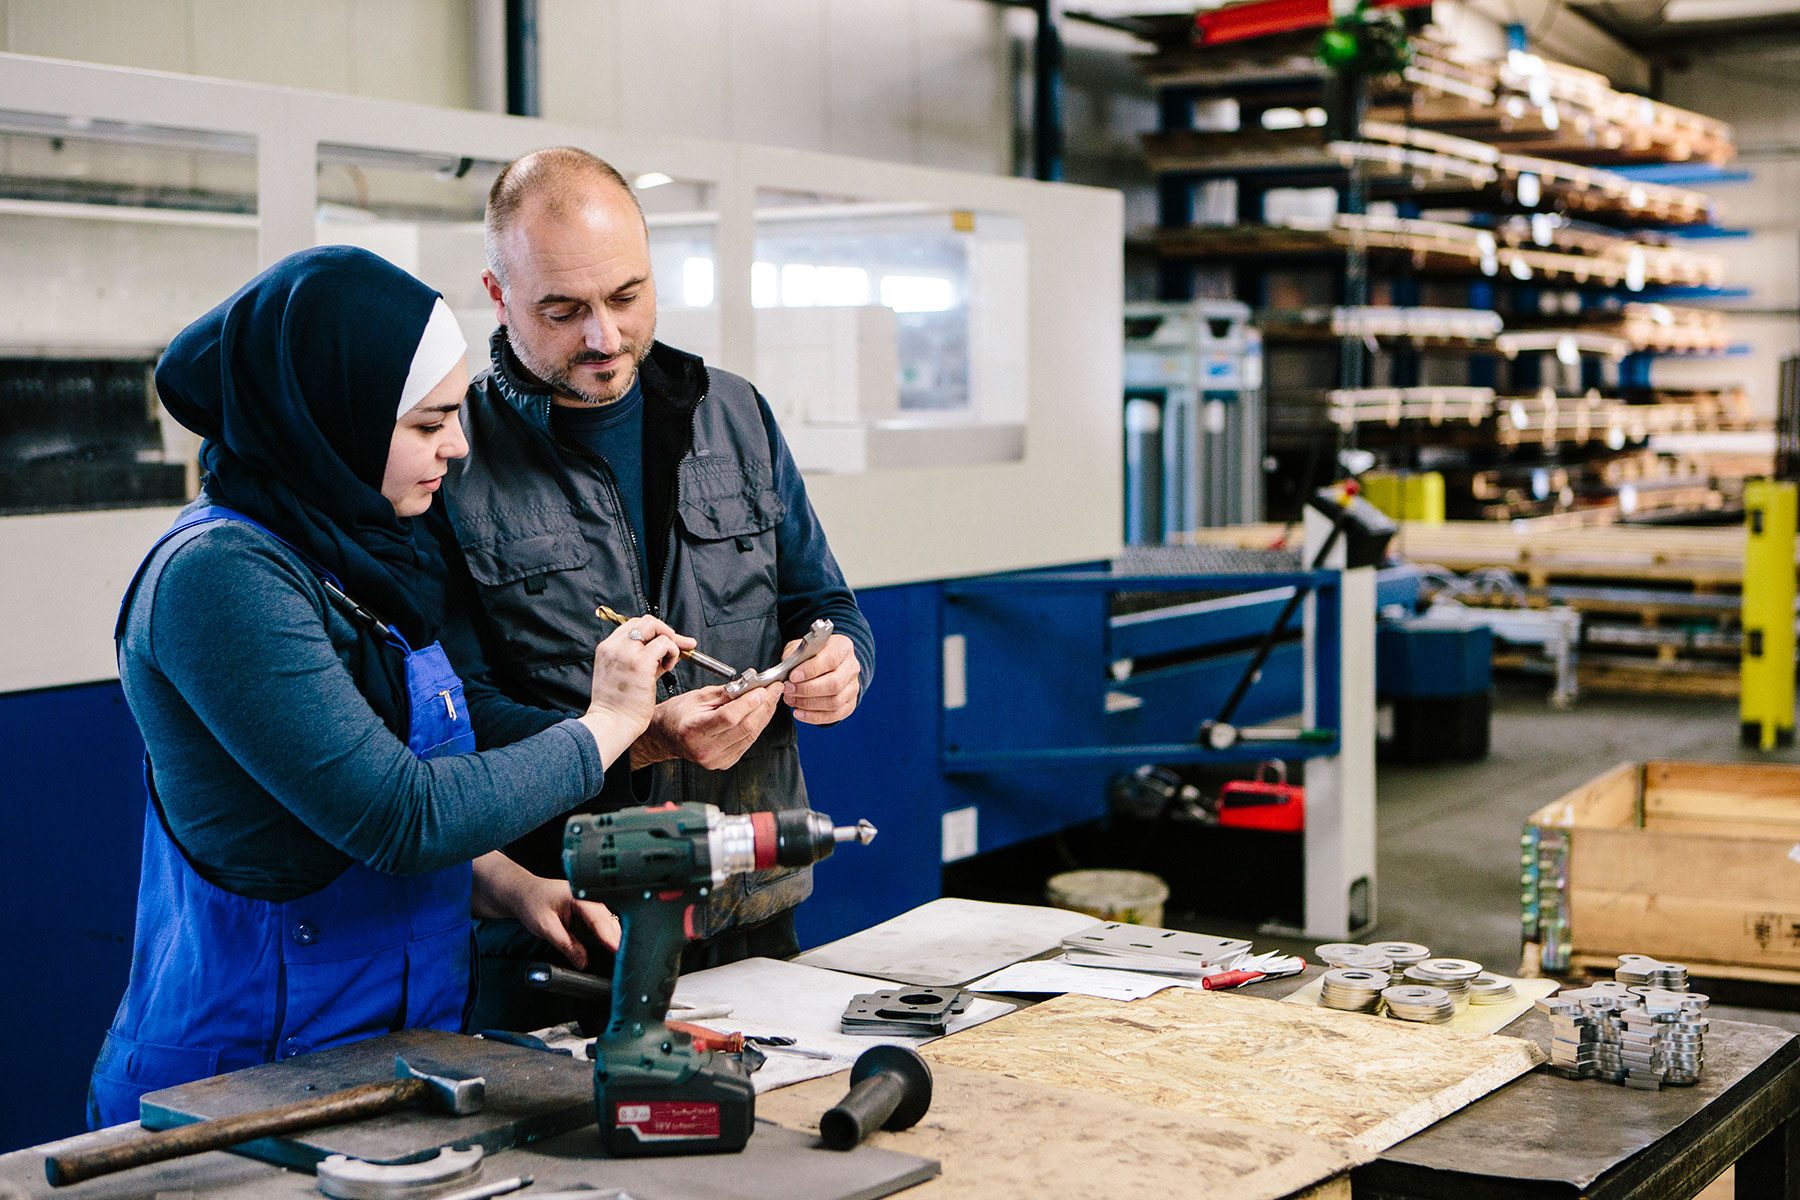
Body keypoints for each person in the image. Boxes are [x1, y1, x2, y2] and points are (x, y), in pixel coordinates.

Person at [90, 245, 690, 1127]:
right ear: (331, 417)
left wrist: (515, 889)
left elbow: (374, 784)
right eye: (428, 423)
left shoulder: (368, 552)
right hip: (241, 1080)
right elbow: (396, 815)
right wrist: (606, 726)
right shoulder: (219, 579)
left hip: (400, 1059)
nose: (457, 446)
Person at [430, 147, 875, 1025]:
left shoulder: (735, 412)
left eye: (626, 298)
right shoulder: (454, 458)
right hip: (567, 921)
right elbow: (450, 716)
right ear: (498, 293)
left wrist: (835, 662)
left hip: (749, 900)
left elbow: (826, 605)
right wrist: (639, 736)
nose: (603, 337)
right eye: (563, 310)